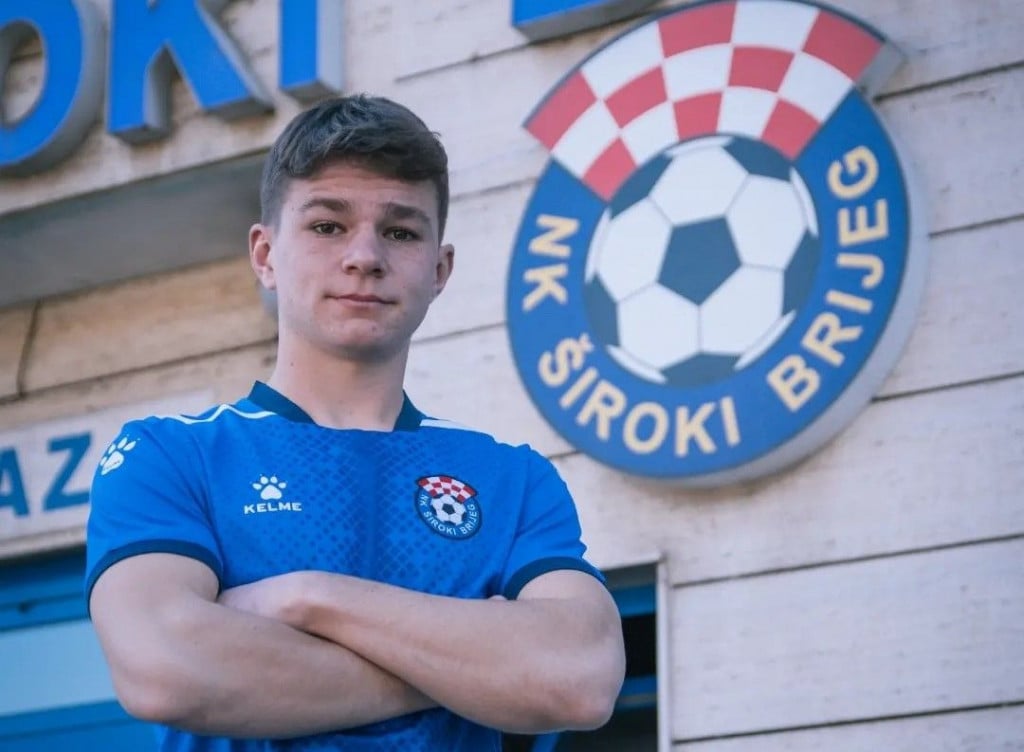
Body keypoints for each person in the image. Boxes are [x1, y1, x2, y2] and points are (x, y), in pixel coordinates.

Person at [85, 94, 626, 751]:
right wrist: (473, 668)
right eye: (327, 225)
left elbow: (580, 680)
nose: (365, 255)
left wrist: (308, 598)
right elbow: (167, 672)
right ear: (265, 255)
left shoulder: (510, 479)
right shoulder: (171, 456)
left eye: (401, 232)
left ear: (439, 270)